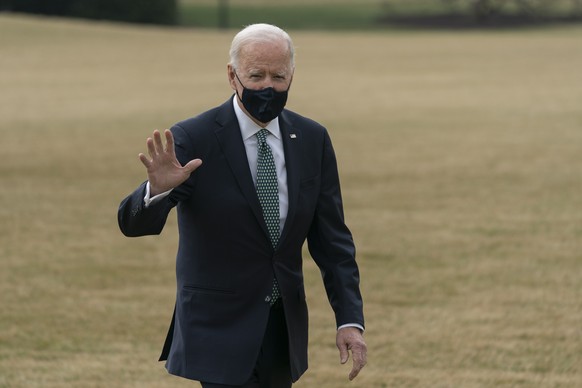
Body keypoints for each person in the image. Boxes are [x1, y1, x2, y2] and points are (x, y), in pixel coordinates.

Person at [118, 23, 366, 387]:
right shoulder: (194, 137)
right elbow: (131, 223)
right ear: (232, 76)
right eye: (256, 75)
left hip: (282, 331)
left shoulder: (312, 139)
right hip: (218, 329)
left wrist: (349, 320)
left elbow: (333, 243)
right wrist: (155, 190)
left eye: (278, 76)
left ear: (292, 75)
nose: (268, 86)